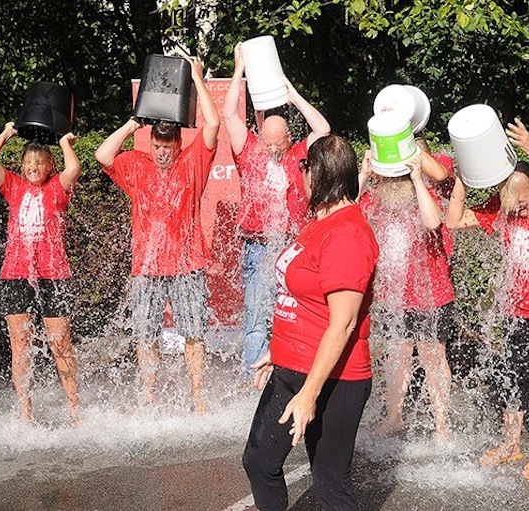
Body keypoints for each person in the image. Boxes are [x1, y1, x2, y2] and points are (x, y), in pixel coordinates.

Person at [243, 134, 379, 511]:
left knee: (330, 485)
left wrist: (310, 394)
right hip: (292, 365)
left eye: (301, 169)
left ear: (315, 174)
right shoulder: (321, 221)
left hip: (335, 377)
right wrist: (278, 347)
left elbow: (344, 323)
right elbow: (304, 298)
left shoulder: (348, 234)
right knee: (259, 461)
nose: (296, 178)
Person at [446, 118, 529, 480]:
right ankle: (511, 443)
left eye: (524, 202)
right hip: (520, 309)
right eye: (513, 204)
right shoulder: (501, 209)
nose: (519, 210)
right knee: (514, 371)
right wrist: (464, 176)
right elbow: (454, 220)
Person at [94, 56, 220, 413]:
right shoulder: (136, 164)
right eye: (157, 147)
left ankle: (197, 399)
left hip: (187, 263)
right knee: (144, 335)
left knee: (194, 333)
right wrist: (134, 123)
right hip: (147, 267)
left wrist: (196, 77)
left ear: (178, 145)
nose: (162, 153)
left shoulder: (192, 162)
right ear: (150, 145)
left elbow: (212, 124)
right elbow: (103, 154)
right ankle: (147, 397)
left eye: (168, 147)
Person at [223, 42, 331, 377]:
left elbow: (323, 130)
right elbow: (229, 115)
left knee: (293, 313)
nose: (271, 149)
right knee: (256, 318)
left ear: (288, 140)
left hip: (292, 247)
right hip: (257, 247)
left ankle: (292, 374)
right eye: (266, 142)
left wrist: (294, 95)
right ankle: (252, 385)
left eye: (277, 144)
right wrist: (239, 69)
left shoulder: (299, 155)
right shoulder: (249, 151)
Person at [0, 124, 81, 425]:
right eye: (28, 164)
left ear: (50, 165)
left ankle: (75, 408)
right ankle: (25, 411)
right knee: (20, 345)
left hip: (53, 274)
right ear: (22, 167)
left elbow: (73, 167)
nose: (33, 168)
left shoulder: (57, 188)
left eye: (39, 163)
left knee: (60, 343)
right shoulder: (13, 186)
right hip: (16, 273)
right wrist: (6, 134)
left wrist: (63, 142)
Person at [358, 142, 455, 440]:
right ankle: (394, 417)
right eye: (392, 174)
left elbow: (432, 221)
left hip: (430, 295)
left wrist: (415, 179)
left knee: (432, 356)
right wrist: (363, 175)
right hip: (392, 296)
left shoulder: (430, 193)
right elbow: (346, 209)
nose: (394, 180)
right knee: (395, 356)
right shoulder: (376, 198)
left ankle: (442, 423)